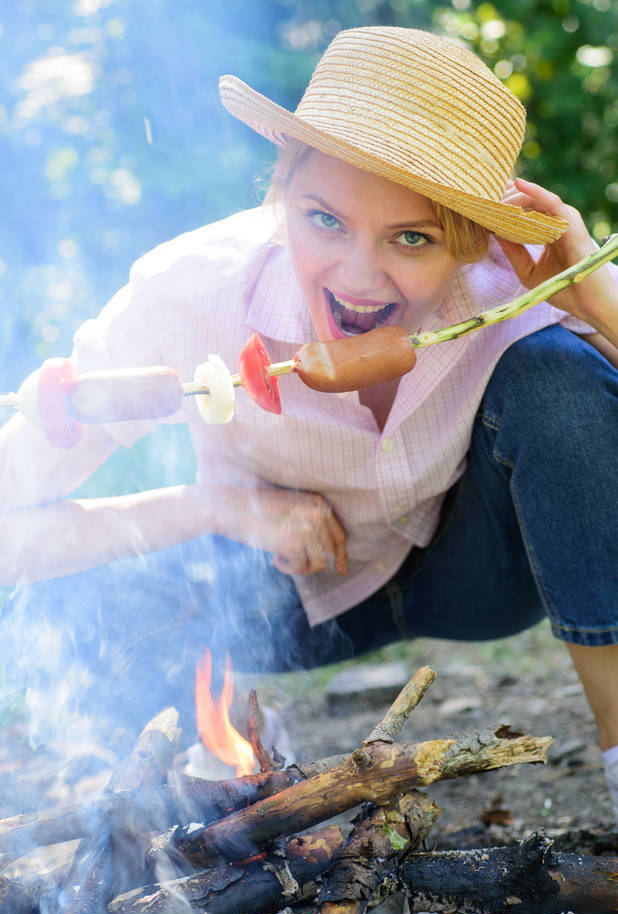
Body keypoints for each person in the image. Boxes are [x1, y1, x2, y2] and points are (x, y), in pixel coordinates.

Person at [1, 27, 617, 815]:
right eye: (323, 219)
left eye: (413, 237)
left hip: (480, 574)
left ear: (470, 243)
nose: (359, 277)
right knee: (82, 597)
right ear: (282, 192)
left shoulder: (511, 287)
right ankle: (183, 788)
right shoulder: (189, 295)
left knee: (560, 378)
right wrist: (217, 506)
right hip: (277, 599)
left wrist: (598, 297)